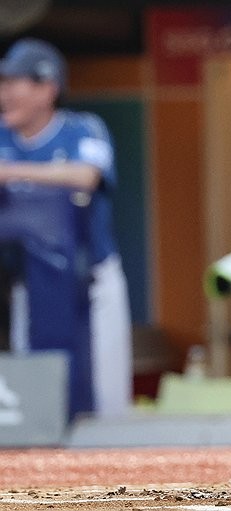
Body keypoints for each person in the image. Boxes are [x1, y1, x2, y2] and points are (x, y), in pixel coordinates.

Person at [0, 38, 133, 417]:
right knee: (38, 400)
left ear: (47, 88)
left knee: (105, 399)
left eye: (14, 82)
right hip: (30, 284)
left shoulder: (82, 128)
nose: (4, 93)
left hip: (91, 280)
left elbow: (86, 176)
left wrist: (9, 172)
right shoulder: (2, 135)